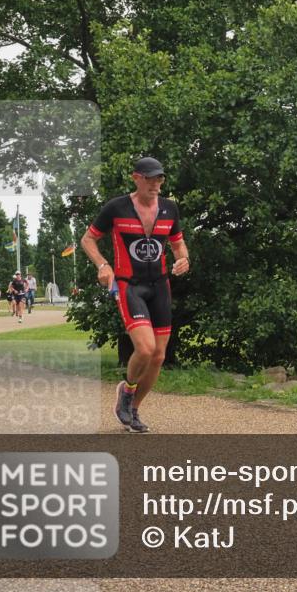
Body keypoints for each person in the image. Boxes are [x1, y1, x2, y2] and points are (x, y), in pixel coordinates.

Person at [81, 157, 189, 433]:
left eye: (160, 179)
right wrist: (103, 265)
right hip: (129, 284)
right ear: (136, 178)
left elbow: (178, 246)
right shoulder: (117, 207)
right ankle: (127, 391)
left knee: (159, 356)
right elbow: (88, 239)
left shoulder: (169, 208)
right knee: (145, 348)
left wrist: (183, 260)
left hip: (160, 285)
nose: (156, 184)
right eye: (150, 178)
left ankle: (133, 409)